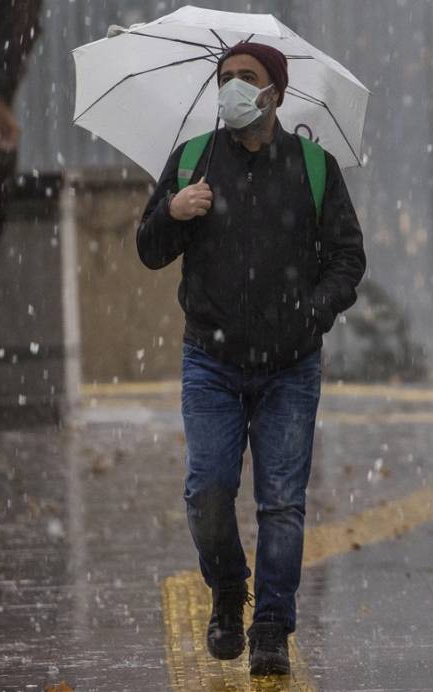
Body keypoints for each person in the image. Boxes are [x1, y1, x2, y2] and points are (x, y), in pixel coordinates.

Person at [136, 41, 366, 676]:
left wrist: (312, 312)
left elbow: (348, 256)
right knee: (207, 492)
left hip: (290, 366)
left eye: (247, 78)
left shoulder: (314, 167)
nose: (233, 88)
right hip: (209, 363)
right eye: (225, 78)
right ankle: (230, 589)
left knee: (282, 503)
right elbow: (148, 248)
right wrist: (175, 213)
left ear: (276, 93)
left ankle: (270, 623)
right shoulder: (191, 162)